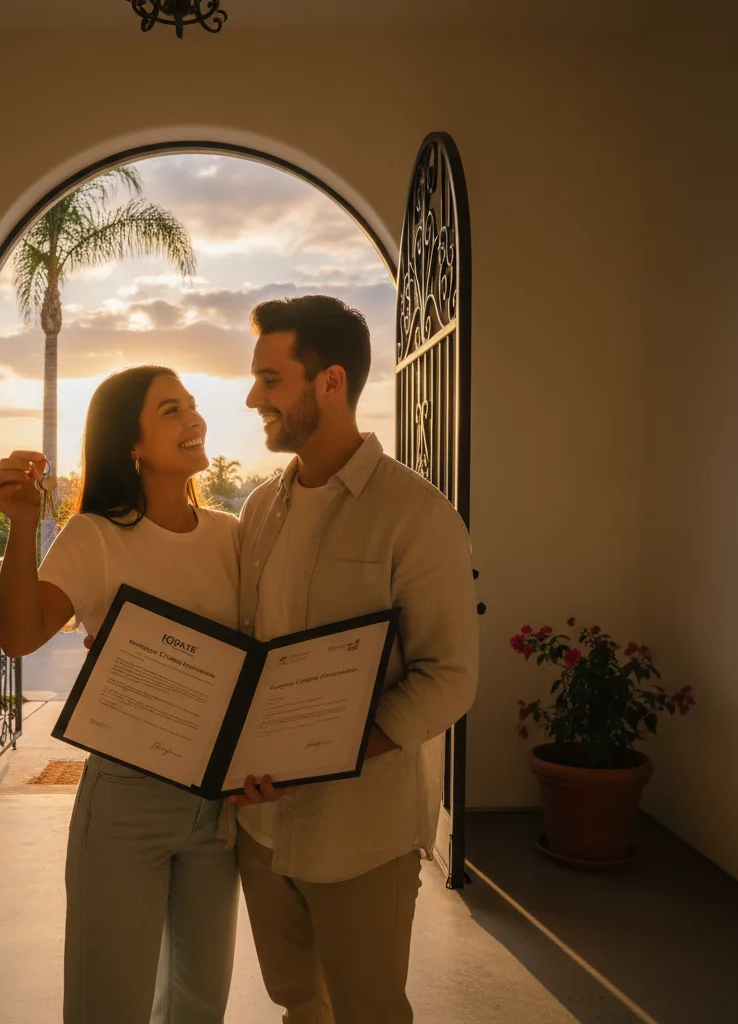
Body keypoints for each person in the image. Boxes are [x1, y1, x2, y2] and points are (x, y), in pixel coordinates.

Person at [226, 295, 479, 1024]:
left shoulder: (418, 515)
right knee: (298, 1001)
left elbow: (450, 676)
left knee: (368, 1010)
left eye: (271, 380)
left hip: (361, 835)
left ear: (329, 382)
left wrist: (325, 751)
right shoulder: (259, 510)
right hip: (258, 828)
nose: (253, 398)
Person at [0, 365, 240, 1024]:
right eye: (170, 410)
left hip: (219, 808)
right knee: (110, 1004)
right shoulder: (95, 536)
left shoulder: (231, 537)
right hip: (127, 799)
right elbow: (18, 636)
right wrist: (19, 525)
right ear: (131, 445)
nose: (194, 419)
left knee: (199, 1003)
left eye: (191, 404)